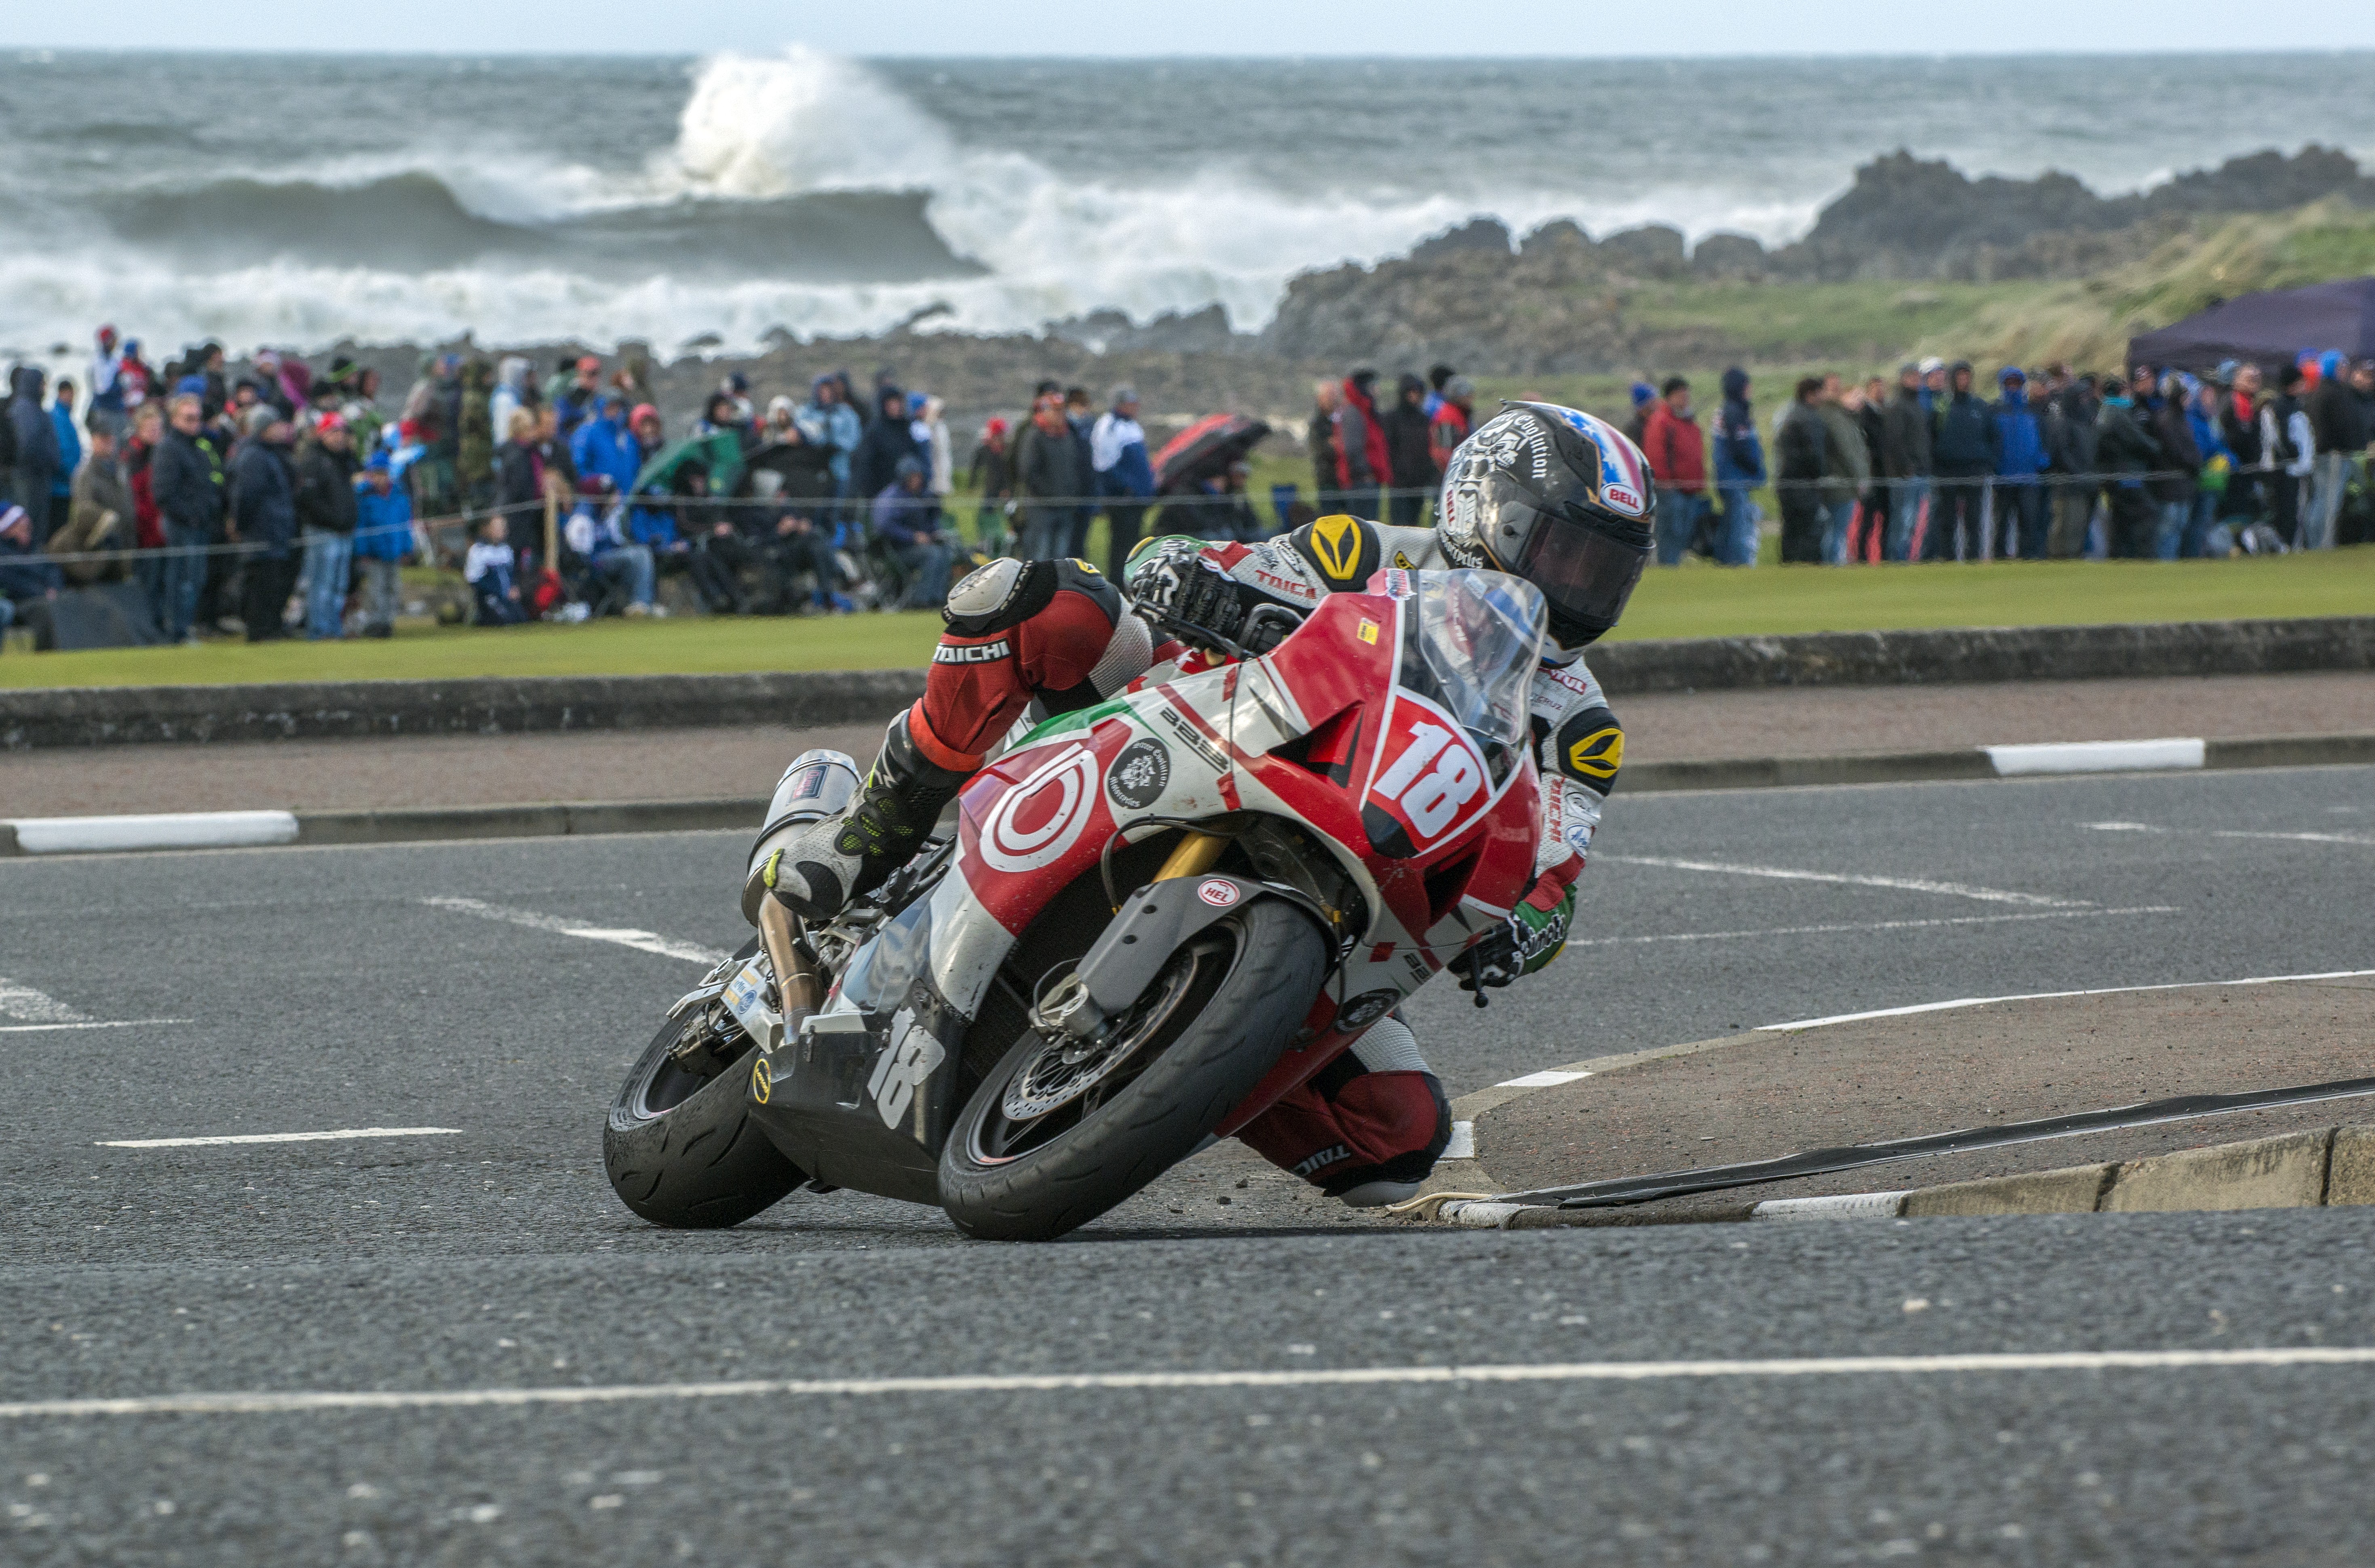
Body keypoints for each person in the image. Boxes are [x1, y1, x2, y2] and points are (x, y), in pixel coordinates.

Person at [759, 400, 1651, 1210]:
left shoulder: (1579, 726)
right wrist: (1201, 585)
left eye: (1602, 569)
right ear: (1476, 508)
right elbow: (1184, 562)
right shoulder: (1365, 553)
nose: (1575, 584)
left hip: (1351, 875)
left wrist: (1522, 932)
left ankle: (1148, 1084)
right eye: (1559, 549)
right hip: (1197, 739)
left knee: (1395, 1138)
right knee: (1041, 600)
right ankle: (870, 831)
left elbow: (1555, 876)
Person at [150, 393, 222, 643]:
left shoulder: (199, 448)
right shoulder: (168, 449)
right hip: (182, 526)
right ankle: (177, 632)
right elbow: (164, 493)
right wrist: (190, 516)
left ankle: (185, 628)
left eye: (197, 419)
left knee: (195, 580)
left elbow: (208, 485)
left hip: (199, 524)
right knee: (182, 581)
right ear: (174, 419)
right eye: (189, 419)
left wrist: (209, 511)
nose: (195, 425)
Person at [227, 406, 299, 642]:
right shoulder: (254, 456)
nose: (281, 429)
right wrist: (242, 525)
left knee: (273, 582)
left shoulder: (269, 453)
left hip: (274, 530)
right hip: (262, 532)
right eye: (275, 425)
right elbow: (247, 495)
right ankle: (260, 629)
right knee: (261, 583)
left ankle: (271, 626)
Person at [293, 413, 361, 639]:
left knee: (339, 585)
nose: (339, 437)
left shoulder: (345, 460)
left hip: (343, 531)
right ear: (322, 434)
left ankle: (334, 628)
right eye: (334, 432)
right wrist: (332, 519)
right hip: (323, 531)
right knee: (321, 584)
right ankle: (319, 630)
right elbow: (309, 499)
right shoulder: (314, 460)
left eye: (342, 432)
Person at [561, 476, 658, 617]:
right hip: (595, 564)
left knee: (641, 555)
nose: (617, 496)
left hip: (609, 559)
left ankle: (642, 605)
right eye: (613, 494)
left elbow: (618, 542)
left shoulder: (610, 513)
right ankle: (640, 603)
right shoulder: (583, 518)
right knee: (640, 554)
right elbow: (581, 555)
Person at [1926, 362, 1993, 561]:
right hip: (1947, 470)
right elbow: (1931, 436)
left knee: (1974, 518)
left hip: (1974, 470)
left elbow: (1991, 437)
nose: (1965, 381)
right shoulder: (1941, 406)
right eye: (1961, 376)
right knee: (1947, 519)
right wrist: (1936, 464)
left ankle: (1973, 557)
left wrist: (1987, 464)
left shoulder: (1980, 407)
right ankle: (1947, 557)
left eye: (1968, 376)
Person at [1091, 386, 1156, 581]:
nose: (1135, 407)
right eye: (1130, 403)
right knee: (1121, 545)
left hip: (1138, 498)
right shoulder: (1109, 425)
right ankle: (1118, 583)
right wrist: (1127, 487)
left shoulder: (1133, 426)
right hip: (1124, 498)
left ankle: (1131, 580)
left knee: (1134, 543)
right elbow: (1104, 464)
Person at [2094, 375, 2162, 558]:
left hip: (2114, 473)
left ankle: (2121, 558)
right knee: (2146, 514)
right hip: (2125, 474)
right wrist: (2157, 447)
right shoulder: (2117, 413)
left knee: (2121, 519)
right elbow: (2140, 441)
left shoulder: (2105, 411)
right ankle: (2141, 558)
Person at [1641, 377, 1707, 566]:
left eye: (1686, 394)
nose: (1685, 398)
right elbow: (1656, 455)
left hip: (1689, 490)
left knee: (1683, 534)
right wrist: (1665, 483)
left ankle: (1673, 567)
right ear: (1670, 397)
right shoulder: (1661, 422)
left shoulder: (1688, 421)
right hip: (1670, 490)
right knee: (1670, 532)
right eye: (1680, 394)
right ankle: (1667, 568)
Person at [872, 456, 953, 609]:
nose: (918, 480)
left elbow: (931, 519)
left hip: (919, 546)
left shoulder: (922, 495)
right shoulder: (891, 497)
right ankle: (921, 601)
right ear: (904, 477)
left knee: (945, 551)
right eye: (914, 477)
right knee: (933, 555)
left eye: (919, 476)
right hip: (897, 550)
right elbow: (884, 526)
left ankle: (938, 599)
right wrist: (913, 537)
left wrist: (934, 533)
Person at [2305, 351, 2367, 550]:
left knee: (2324, 499)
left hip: (2330, 454)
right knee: (2328, 501)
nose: (2345, 372)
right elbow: (2340, 426)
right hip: (2333, 455)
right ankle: (2322, 543)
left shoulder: (2325, 392)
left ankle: (2321, 541)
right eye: (2341, 368)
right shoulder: (2332, 394)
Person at [352, 447, 414, 639]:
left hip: (394, 550)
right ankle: (375, 623)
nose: (380, 478)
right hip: (374, 552)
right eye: (376, 474)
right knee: (376, 589)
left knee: (393, 587)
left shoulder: (400, 496)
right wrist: (362, 551)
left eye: (383, 474)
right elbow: (361, 527)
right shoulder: (365, 497)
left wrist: (407, 548)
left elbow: (405, 525)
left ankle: (387, 622)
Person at [1016, 385, 1083, 561]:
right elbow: (1028, 471)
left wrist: (1072, 492)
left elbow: (1076, 467)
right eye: (1056, 411)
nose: (1060, 415)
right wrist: (1048, 494)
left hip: (1066, 506)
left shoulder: (1069, 436)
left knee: (1061, 557)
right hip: (1041, 508)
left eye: (1063, 411)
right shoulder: (1035, 436)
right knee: (1040, 555)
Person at [1988, 368, 2050, 560]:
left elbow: (2044, 439)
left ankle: (2029, 556)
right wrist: (1995, 466)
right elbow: (1990, 441)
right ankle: (1999, 556)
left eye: (2016, 383)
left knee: (2029, 521)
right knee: (2002, 523)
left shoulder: (2032, 410)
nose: (2013, 387)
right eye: (2010, 383)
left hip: (2029, 476)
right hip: (2004, 476)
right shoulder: (1994, 410)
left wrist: (2041, 461)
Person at [1707, 367, 1764, 567]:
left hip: (1730, 477)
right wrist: (1755, 469)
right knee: (1737, 525)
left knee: (1730, 522)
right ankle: (1737, 563)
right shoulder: (1734, 412)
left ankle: (1724, 560)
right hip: (1735, 478)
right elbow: (1739, 448)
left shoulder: (1729, 410)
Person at [1774, 377, 1833, 564]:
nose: (1823, 397)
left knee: (1791, 531)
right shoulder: (1809, 419)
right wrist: (1821, 475)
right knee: (1810, 532)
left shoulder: (1790, 415)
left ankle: (1790, 567)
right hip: (1805, 485)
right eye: (1820, 393)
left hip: (1787, 482)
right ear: (1811, 395)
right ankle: (1808, 569)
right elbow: (1814, 456)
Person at [2146, 373, 2202, 561]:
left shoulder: (2181, 420)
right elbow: (2176, 451)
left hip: (2183, 484)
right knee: (2167, 531)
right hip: (2170, 485)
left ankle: (2171, 564)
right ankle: (2164, 566)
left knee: (2178, 528)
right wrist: (2194, 464)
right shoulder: (2166, 421)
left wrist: (2195, 463)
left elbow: (2190, 449)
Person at [1879, 364, 1932, 561]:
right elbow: (1894, 441)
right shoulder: (1899, 406)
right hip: (1904, 474)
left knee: (1914, 521)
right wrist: (1906, 467)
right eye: (1912, 377)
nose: (1916, 381)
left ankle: (1907, 557)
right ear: (1903, 379)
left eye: (1918, 377)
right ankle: (1897, 559)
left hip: (1920, 470)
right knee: (1902, 520)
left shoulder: (1916, 405)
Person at [2043, 373, 2099, 559]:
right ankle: (2060, 560)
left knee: (2078, 527)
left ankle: (2073, 557)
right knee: (2064, 527)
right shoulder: (2064, 422)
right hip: (2067, 484)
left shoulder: (2085, 423)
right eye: (2081, 397)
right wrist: (2078, 474)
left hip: (2084, 483)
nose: (2085, 401)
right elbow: (2061, 453)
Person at [1817, 374, 1868, 563]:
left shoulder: (1840, 414)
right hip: (1841, 484)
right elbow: (1849, 451)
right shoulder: (1832, 416)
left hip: (1841, 483)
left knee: (1835, 531)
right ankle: (1833, 567)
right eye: (1832, 387)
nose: (1837, 390)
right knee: (1836, 531)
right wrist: (1861, 479)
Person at [8, 366, 61, 542]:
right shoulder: (25, 410)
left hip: (37, 478)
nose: (45, 388)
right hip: (30, 479)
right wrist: (48, 462)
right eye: (42, 384)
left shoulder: (29, 408)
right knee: (29, 525)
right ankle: (28, 565)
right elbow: (26, 445)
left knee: (35, 526)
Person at [0, 504, 61, 651]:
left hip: (46, 597)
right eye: (21, 528)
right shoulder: (3, 554)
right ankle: (47, 654)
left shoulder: (35, 548)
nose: (27, 532)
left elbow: (53, 570)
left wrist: (54, 588)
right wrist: (43, 593)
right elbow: (13, 584)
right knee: (42, 610)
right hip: (18, 602)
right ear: (8, 529)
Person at [1381, 373, 1437, 526]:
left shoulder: (1424, 419)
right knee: (1399, 527)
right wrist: (1395, 473)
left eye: (1418, 393)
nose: (1415, 396)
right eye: (1411, 392)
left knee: (1415, 527)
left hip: (1419, 483)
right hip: (1399, 485)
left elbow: (1428, 448)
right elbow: (1388, 449)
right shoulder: (1391, 419)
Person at [1334, 370, 1389, 516]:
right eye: (1374, 385)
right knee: (1363, 527)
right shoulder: (1354, 412)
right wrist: (1365, 473)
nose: (1377, 389)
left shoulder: (1366, 410)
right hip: (1361, 481)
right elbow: (1352, 448)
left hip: (1370, 479)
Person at [465, 514, 527, 626]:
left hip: (508, 598)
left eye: (503, 528)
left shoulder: (506, 550)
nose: (502, 531)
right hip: (489, 598)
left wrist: (514, 587)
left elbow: (512, 575)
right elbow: (474, 580)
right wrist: (498, 591)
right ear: (488, 529)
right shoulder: (478, 551)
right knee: (505, 620)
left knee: (522, 620)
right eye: (498, 528)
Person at [968, 417, 1014, 556]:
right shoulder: (986, 448)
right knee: (985, 515)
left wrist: (1007, 489)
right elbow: (976, 466)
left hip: (1006, 490)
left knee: (1011, 516)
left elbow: (1010, 470)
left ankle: (1011, 543)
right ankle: (985, 542)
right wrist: (972, 484)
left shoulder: (1008, 449)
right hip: (991, 488)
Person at [1428, 375, 1474, 483]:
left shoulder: (1460, 414)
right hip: (1448, 475)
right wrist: (1456, 473)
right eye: (1466, 395)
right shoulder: (1448, 416)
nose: (1470, 399)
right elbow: (1445, 450)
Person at [1306, 379, 1341, 514]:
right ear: (1320, 398)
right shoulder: (1317, 424)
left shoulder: (1343, 419)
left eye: (1335, 395)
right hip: (1327, 480)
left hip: (1346, 481)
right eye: (1329, 395)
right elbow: (1321, 450)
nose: (1333, 399)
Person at [88, 325, 128, 439]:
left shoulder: (113, 359)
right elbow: (102, 389)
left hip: (114, 409)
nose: (116, 342)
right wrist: (120, 386)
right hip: (106, 411)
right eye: (114, 339)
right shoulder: (98, 361)